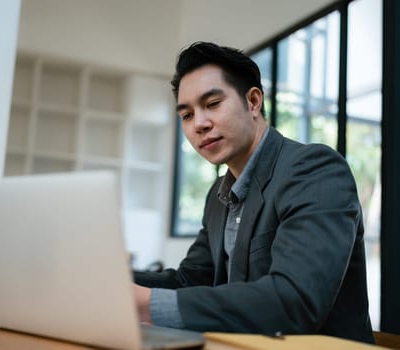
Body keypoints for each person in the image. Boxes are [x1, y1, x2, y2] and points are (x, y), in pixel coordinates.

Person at [133, 41, 374, 344]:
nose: (200, 124)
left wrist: (144, 304)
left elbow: (294, 301)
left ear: (253, 101)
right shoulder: (219, 194)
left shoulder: (314, 170)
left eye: (212, 104)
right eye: (187, 115)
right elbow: (190, 281)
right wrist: (114, 279)